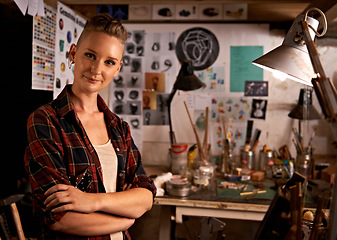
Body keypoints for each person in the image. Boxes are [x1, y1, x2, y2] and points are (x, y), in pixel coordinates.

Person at [24, 14, 156, 240]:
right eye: (90, 55)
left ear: (117, 68)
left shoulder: (118, 127)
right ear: (73, 53)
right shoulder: (46, 120)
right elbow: (59, 217)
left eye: (109, 62)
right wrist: (125, 218)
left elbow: (145, 196)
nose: (96, 69)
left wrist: (90, 201)